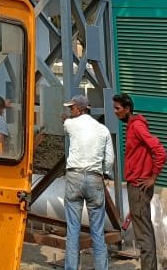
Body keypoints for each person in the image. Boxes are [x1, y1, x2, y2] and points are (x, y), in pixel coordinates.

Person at [113, 93, 167, 270]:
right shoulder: (132, 126)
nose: (115, 112)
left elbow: (160, 151)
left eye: (118, 108)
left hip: (139, 185)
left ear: (127, 109)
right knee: (144, 229)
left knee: (143, 234)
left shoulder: (137, 127)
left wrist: (153, 177)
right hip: (137, 184)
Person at [62, 94, 115, 270]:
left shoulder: (70, 124)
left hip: (74, 176)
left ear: (78, 109)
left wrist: (66, 119)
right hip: (94, 177)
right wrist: (104, 173)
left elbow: (66, 124)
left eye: (71, 108)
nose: (70, 111)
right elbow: (109, 160)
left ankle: (71, 267)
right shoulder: (103, 130)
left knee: (73, 231)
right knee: (98, 232)